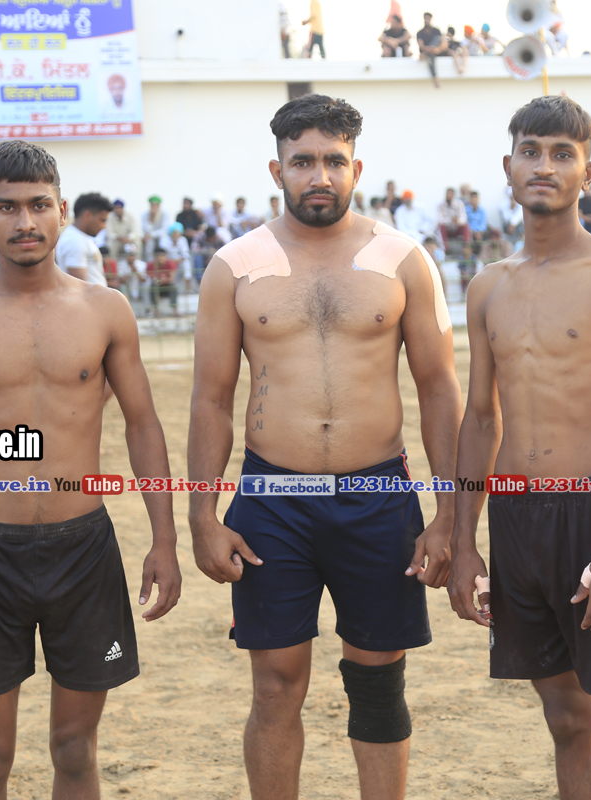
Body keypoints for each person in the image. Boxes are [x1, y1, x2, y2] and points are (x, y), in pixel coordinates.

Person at [188, 94, 461, 800]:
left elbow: (438, 388)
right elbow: (211, 399)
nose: (319, 176)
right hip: (273, 497)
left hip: (378, 495)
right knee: (276, 685)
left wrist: (449, 513)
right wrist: (201, 514)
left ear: (356, 168)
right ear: (276, 169)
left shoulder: (402, 259)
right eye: (303, 161)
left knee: (378, 681)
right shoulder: (234, 265)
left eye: (334, 161)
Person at [0, 140, 181, 799]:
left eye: (38, 205)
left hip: (84, 550)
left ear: (61, 210)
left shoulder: (106, 309)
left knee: (75, 752)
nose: (25, 221)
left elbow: (142, 425)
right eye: (7, 207)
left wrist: (165, 539)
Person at [448, 95, 591, 798]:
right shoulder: (487, 286)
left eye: (562, 154)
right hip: (515, 521)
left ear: (588, 172)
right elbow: (479, 420)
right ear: (508, 166)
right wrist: (464, 542)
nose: (544, 166)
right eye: (531, 152)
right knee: (566, 720)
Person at [57, 192, 111, 286]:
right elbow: (80, 288)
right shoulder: (74, 241)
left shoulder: (80, 237)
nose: (104, 226)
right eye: (102, 220)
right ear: (87, 215)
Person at [105, 199, 141, 266]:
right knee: (111, 244)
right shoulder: (110, 217)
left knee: (137, 242)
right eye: (116, 208)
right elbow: (109, 233)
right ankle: (113, 265)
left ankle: (137, 264)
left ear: (123, 208)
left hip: (129, 241)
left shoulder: (130, 216)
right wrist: (119, 238)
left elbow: (135, 231)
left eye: (120, 208)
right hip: (117, 241)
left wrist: (128, 238)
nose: (118, 210)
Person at [416, 13, 447, 88]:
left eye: (428, 19)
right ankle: (435, 79)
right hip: (429, 53)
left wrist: (437, 49)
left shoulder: (436, 31)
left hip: (435, 51)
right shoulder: (420, 33)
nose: (426, 20)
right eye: (425, 19)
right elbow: (421, 46)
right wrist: (430, 49)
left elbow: (443, 43)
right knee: (430, 57)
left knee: (437, 39)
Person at [147, 247, 178, 317]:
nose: (161, 258)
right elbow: (153, 279)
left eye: (162, 256)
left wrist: (162, 280)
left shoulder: (170, 263)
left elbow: (171, 279)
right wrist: (161, 280)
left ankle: (175, 309)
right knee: (153, 288)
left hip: (167, 286)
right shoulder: (151, 265)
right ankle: (156, 311)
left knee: (173, 287)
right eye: (158, 256)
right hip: (158, 287)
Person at [141, 195, 170, 259]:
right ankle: (150, 261)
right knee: (149, 242)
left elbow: (164, 230)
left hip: (160, 236)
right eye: (153, 205)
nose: (154, 207)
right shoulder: (144, 214)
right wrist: (151, 218)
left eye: (156, 205)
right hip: (150, 237)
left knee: (163, 240)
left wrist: (151, 234)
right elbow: (146, 230)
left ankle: (162, 259)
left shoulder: (165, 214)